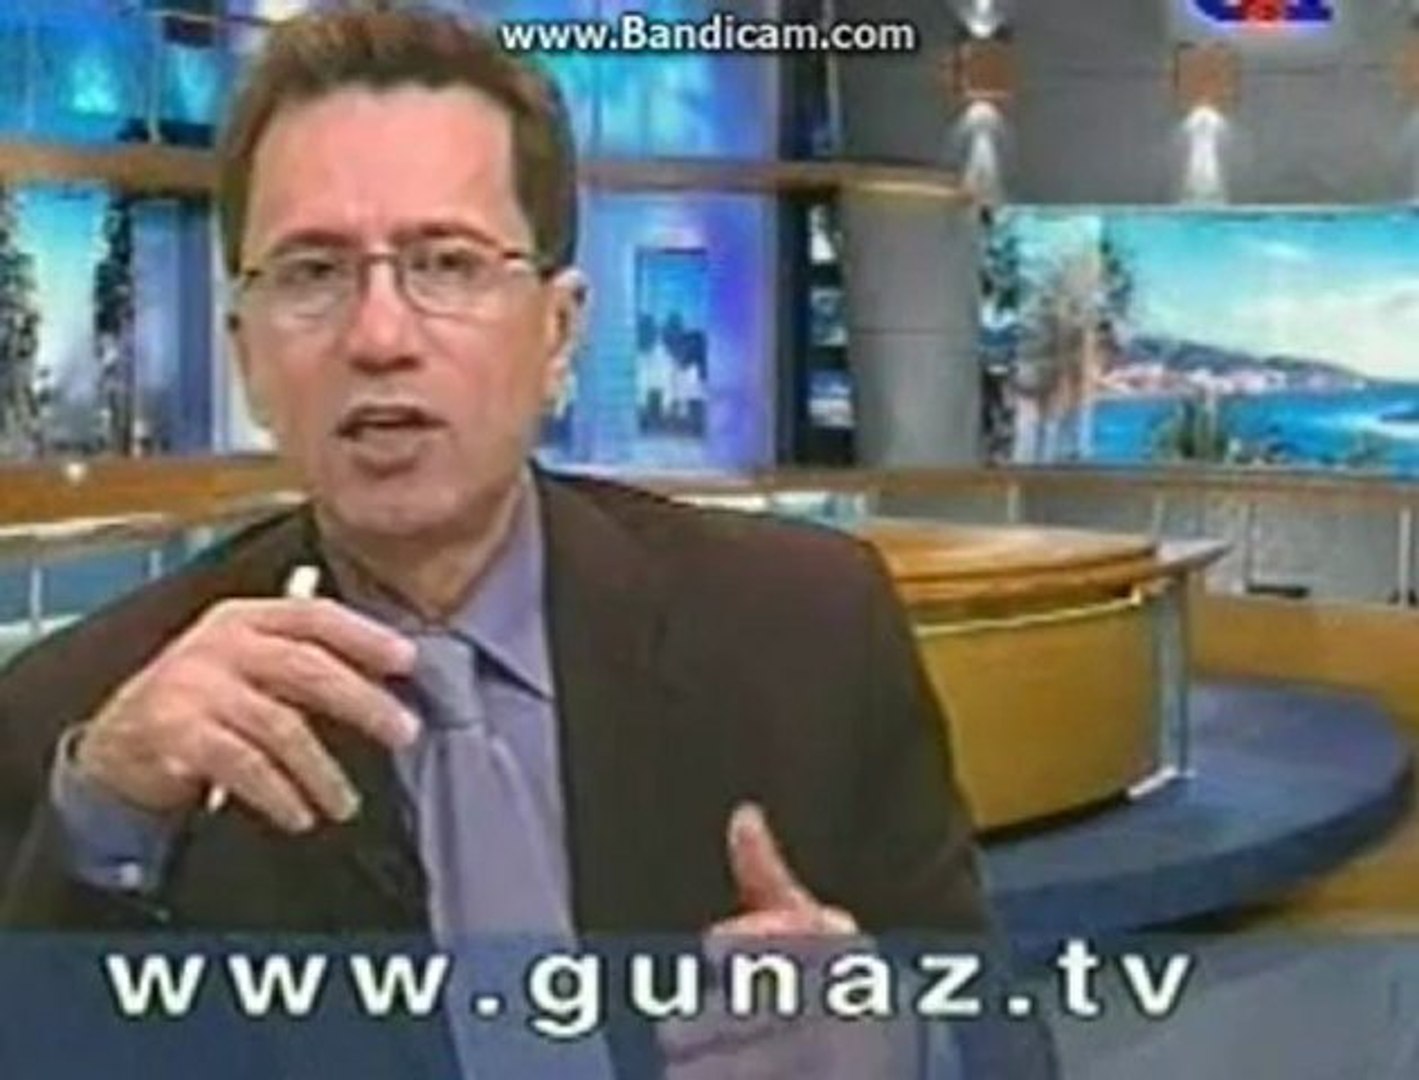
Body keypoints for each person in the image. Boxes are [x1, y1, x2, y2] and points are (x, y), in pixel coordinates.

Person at [0, 5, 1054, 1077]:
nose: (379, 336)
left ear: (558, 332)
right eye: (312, 272)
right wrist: (107, 826)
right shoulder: (84, 729)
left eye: (447, 264)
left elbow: (1005, 1046)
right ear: (247, 354)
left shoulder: (810, 630)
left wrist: (900, 1044)